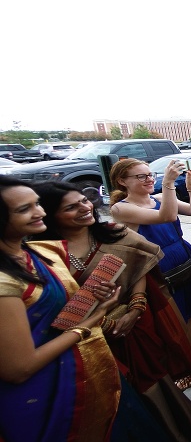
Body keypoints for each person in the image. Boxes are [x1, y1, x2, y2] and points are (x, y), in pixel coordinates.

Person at [33, 181, 191, 440]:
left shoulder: (113, 232)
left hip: (138, 319)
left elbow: (141, 267)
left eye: (84, 200)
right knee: (120, 388)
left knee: (154, 372)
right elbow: (54, 302)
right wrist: (103, 323)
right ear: (50, 214)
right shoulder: (44, 255)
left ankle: (178, 426)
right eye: (71, 207)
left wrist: (135, 309)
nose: (84, 207)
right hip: (91, 334)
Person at [0, 176, 124, 442]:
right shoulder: (3, 280)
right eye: (24, 209)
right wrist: (92, 321)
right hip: (39, 395)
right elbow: (18, 369)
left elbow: (59, 309)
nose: (39, 212)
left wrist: (94, 299)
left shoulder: (37, 252)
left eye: (36, 204)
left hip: (76, 373)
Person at [109, 157, 191, 372]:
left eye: (150, 175)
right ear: (122, 181)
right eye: (141, 176)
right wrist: (168, 183)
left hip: (183, 257)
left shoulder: (158, 198)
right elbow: (167, 216)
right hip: (158, 266)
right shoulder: (120, 209)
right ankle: (179, 365)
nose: (149, 179)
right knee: (171, 318)